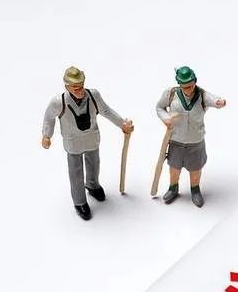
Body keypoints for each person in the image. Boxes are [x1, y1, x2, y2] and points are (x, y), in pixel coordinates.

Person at [41, 66, 134, 220]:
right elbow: (49, 117)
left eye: (81, 86)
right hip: (73, 142)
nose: (79, 90)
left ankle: (92, 184)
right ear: (67, 87)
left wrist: (122, 124)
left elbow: (106, 111)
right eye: (75, 88)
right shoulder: (59, 102)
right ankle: (79, 201)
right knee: (75, 172)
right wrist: (46, 135)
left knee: (94, 164)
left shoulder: (93, 96)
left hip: (91, 138)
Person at [156, 66, 226, 207]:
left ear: (195, 81)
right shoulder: (171, 93)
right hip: (176, 140)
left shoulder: (202, 95)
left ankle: (195, 190)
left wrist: (219, 102)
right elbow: (159, 107)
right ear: (179, 84)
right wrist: (166, 119)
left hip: (195, 141)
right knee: (174, 168)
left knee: (195, 169)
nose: (189, 89)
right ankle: (173, 188)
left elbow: (213, 99)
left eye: (191, 85)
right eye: (185, 86)